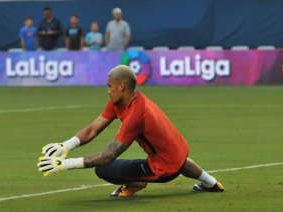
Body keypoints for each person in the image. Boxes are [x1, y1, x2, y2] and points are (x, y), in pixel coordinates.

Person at [37, 65, 224, 196]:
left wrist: (65, 165)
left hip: (163, 168)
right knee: (177, 159)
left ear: (121, 86)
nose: (108, 91)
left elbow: (108, 155)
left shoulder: (137, 114)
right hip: (178, 152)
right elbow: (94, 128)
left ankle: (135, 182)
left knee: (103, 169)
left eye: (109, 86)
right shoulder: (124, 101)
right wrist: (67, 145)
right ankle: (212, 183)